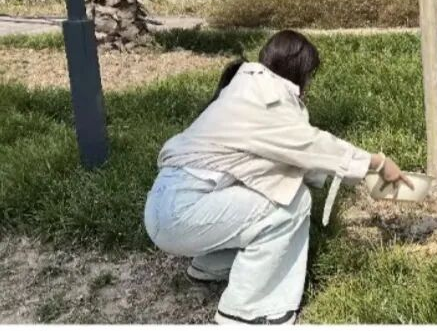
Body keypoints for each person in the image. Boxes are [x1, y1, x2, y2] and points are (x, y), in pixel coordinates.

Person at [144, 30, 411, 326]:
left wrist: (354, 174)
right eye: (310, 76)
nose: (309, 84)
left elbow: (294, 160)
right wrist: (377, 163)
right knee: (291, 203)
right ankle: (249, 310)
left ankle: (212, 265)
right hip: (180, 215)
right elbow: (312, 146)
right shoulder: (269, 102)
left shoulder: (248, 88)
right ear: (300, 71)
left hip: (169, 205)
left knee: (271, 193)